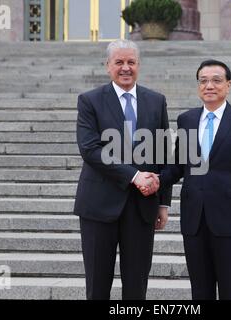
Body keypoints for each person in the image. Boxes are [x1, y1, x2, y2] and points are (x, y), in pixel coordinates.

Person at [143, 59, 231, 300]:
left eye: (216, 80)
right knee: (200, 290)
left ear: (228, 85)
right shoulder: (187, 120)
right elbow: (178, 166)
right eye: (203, 81)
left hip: (230, 217)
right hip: (194, 218)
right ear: (198, 86)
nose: (210, 85)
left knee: (230, 290)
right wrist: (154, 179)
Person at [74, 39, 172, 300]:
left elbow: (163, 152)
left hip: (142, 206)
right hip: (98, 204)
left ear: (139, 65)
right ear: (108, 66)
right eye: (119, 62)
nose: (125, 68)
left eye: (131, 62)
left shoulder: (156, 100)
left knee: (137, 285)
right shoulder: (90, 101)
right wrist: (134, 175)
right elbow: (91, 149)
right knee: (97, 284)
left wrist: (163, 203)